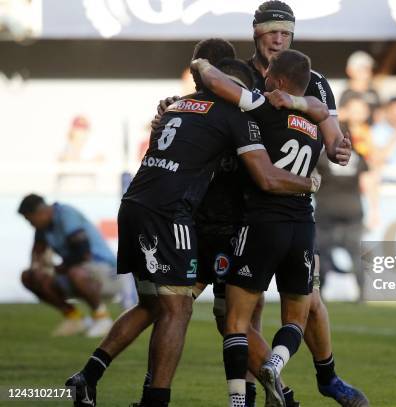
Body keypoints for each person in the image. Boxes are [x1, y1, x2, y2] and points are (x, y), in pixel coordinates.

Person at [65, 39, 321, 407]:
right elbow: (266, 176)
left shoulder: (176, 108)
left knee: (160, 306)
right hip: (194, 222)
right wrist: (310, 181)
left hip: (148, 208)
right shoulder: (239, 116)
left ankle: (90, 375)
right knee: (204, 312)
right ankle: (251, 396)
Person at [241, 2, 369, 405]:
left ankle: (327, 377)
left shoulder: (313, 82)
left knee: (310, 302)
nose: (278, 39)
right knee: (248, 308)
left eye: (286, 32)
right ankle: (259, 390)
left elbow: (334, 141)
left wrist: (341, 149)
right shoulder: (240, 74)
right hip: (242, 203)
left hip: (294, 205)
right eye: (271, 31)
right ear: (256, 33)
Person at [192, 48, 334, 407]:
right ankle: (275, 362)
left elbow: (218, 83)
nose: (264, 79)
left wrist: (202, 64)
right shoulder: (316, 124)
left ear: (281, 82)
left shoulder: (263, 107)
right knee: (295, 318)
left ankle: (238, 402)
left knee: (234, 320)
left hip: (261, 223)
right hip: (303, 226)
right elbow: (321, 112)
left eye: (270, 74)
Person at [18, 194, 119, 338]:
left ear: (40, 213)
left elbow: (83, 253)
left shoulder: (66, 215)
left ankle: (102, 318)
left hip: (106, 272)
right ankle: (74, 318)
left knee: (75, 272)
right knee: (29, 277)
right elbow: (37, 254)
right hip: (77, 270)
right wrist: (38, 269)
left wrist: (53, 268)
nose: (30, 224)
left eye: (30, 220)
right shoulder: (43, 227)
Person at [315, 142, 369, 297]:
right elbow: (367, 182)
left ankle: (320, 291)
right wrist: (375, 209)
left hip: (326, 208)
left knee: (321, 253)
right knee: (355, 253)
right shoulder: (358, 156)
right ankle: (362, 293)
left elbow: (312, 177)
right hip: (352, 208)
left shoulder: (322, 157)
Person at [339, 50, 381, 122]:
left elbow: (380, 116)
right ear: (350, 71)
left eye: (368, 69)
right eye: (362, 69)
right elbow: (336, 116)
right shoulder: (344, 92)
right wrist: (353, 113)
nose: (367, 73)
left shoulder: (374, 92)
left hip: (369, 132)